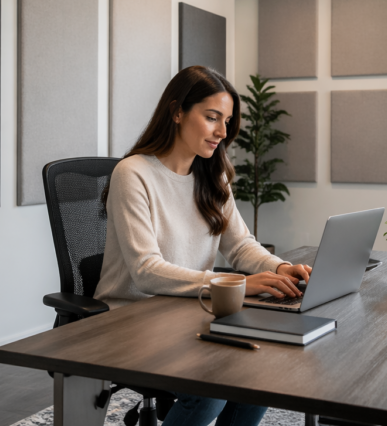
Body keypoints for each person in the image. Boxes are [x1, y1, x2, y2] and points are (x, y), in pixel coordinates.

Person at [95, 65, 312, 426]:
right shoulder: (133, 174)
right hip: (131, 319)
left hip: (187, 312)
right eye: (212, 118)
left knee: (261, 368)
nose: (222, 132)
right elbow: (146, 271)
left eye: (226, 121)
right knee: (212, 385)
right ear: (177, 112)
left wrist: (279, 268)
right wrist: (236, 285)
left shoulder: (212, 175)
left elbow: (240, 245)